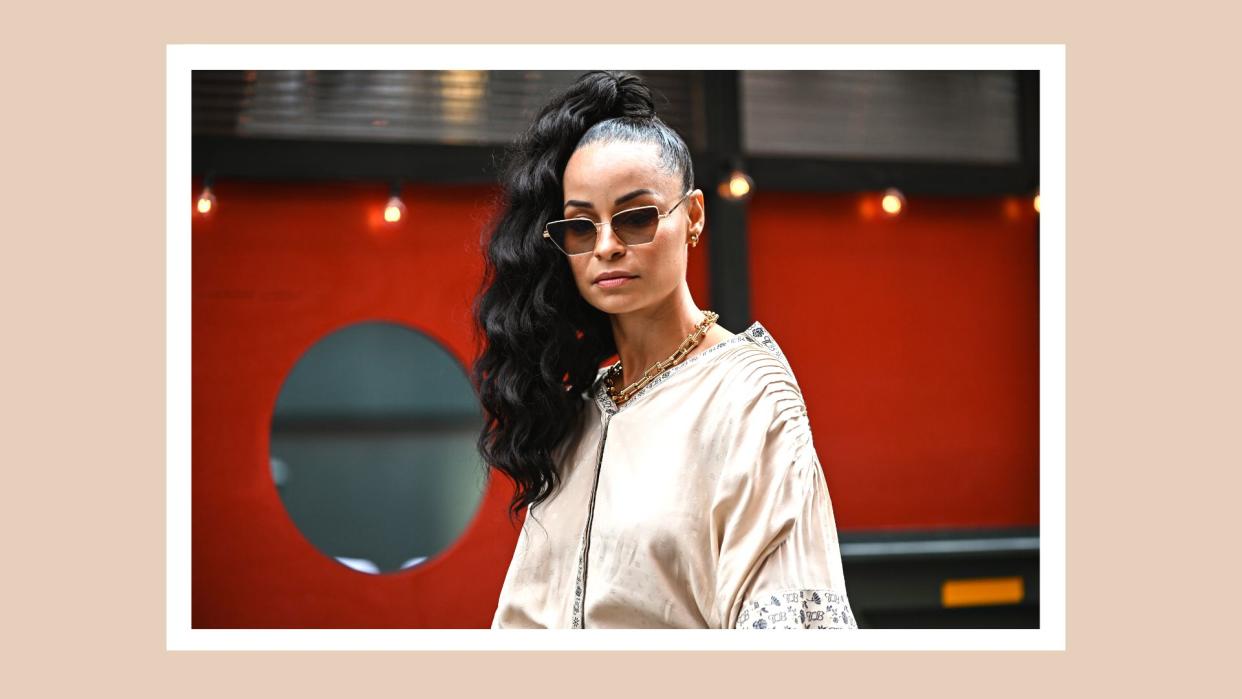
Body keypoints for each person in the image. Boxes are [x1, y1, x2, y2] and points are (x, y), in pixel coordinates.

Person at [472, 70, 856, 629]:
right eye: (581, 227)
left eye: (635, 218)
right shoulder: (580, 408)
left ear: (693, 217)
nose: (606, 246)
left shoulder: (748, 395)